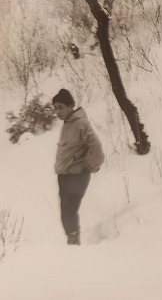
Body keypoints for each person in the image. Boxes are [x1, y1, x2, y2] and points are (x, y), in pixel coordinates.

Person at [53, 88, 104, 245]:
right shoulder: (68, 123)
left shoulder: (81, 123)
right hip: (64, 175)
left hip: (77, 176)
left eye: (61, 107)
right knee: (65, 213)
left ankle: (74, 243)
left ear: (70, 106)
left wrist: (90, 166)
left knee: (69, 211)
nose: (57, 112)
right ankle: (72, 241)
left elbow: (97, 147)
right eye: (55, 108)